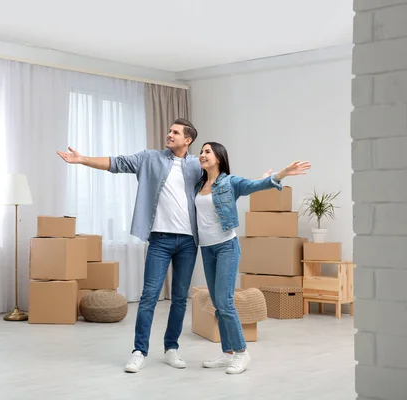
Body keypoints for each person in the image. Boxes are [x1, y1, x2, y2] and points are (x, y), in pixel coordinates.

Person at [57, 118, 203, 373]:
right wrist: (83, 159)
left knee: (180, 298)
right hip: (160, 239)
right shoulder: (150, 158)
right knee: (148, 297)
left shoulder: (196, 165)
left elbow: (221, 182)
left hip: (189, 241)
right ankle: (139, 351)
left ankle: (172, 348)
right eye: (169, 130)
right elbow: (117, 163)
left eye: (175, 132)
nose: (169, 134)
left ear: (187, 140)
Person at [194, 141, 311, 374]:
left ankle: (241, 352)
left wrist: (282, 174)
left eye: (207, 151)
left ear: (219, 157)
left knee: (225, 301)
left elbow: (254, 185)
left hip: (226, 246)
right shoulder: (197, 184)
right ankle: (227, 353)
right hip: (206, 248)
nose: (202, 154)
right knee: (218, 302)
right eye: (201, 151)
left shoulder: (230, 181)